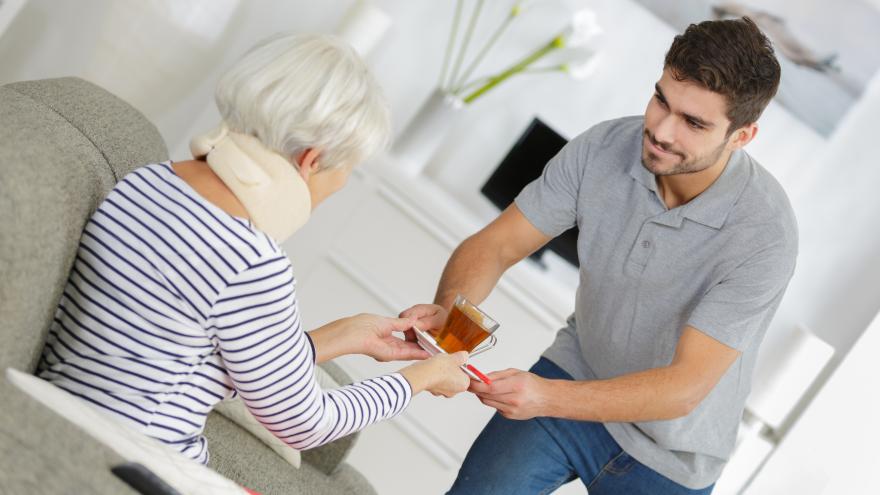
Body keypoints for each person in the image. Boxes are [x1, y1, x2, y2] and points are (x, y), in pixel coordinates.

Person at [402, 17, 797, 494]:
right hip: (576, 369)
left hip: (672, 453)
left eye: (693, 123)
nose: (662, 130)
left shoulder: (764, 234)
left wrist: (548, 396)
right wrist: (449, 324)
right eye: (661, 101)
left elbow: (684, 387)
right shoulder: (603, 147)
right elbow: (496, 245)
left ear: (741, 137)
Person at [37, 33, 469, 465]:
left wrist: (342, 335)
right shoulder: (249, 258)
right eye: (347, 172)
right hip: (129, 464)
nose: (338, 187)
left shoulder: (150, 181)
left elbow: (179, 353)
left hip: (57, 422)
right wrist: (421, 378)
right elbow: (306, 424)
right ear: (312, 160)